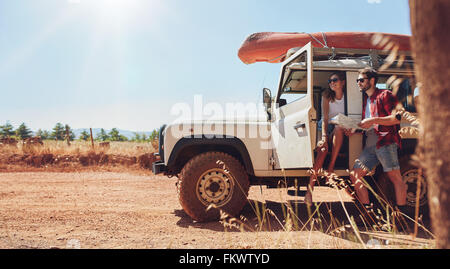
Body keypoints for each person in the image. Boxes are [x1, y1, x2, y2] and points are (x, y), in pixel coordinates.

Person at [350, 68, 408, 213]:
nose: (359, 83)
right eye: (358, 80)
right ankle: (368, 214)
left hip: (386, 142)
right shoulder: (367, 99)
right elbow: (369, 124)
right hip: (371, 144)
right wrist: (354, 128)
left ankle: (401, 217)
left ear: (372, 80)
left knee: (395, 178)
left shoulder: (385, 95)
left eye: (361, 80)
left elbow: (396, 118)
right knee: (355, 175)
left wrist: (373, 119)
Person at [305, 72, 348, 205]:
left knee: (339, 129)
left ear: (343, 82)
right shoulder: (327, 96)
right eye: (330, 81)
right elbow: (324, 118)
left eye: (335, 80)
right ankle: (309, 191)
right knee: (322, 149)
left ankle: (330, 168)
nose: (331, 83)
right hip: (325, 127)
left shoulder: (349, 97)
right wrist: (323, 137)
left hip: (340, 128)